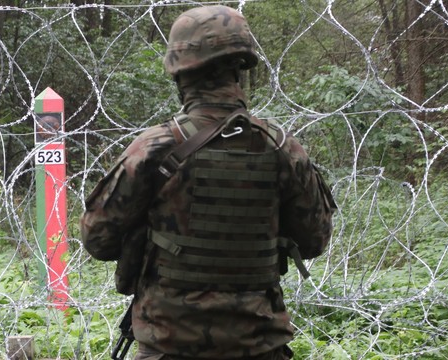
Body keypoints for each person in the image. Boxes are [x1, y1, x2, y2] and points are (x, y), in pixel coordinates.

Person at [80, 5, 336, 360]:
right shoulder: (281, 147)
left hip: (168, 345)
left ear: (179, 73)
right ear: (239, 71)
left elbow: (98, 240)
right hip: (258, 345)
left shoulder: (154, 148)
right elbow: (315, 240)